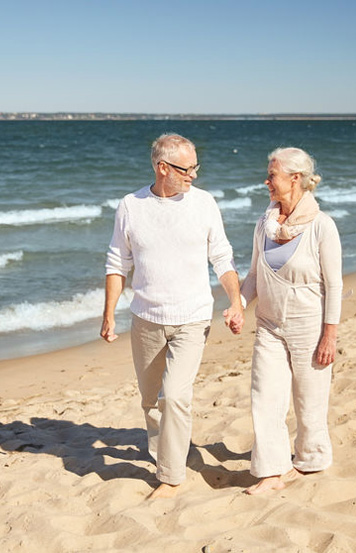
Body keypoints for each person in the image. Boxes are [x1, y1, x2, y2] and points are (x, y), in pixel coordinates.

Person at [101, 133, 244, 499]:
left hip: (193, 318)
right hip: (146, 319)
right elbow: (117, 263)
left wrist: (236, 300)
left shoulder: (204, 204)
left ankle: (171, 477)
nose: (194, 175)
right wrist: (109, 315)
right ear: (163, 168)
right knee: (151, 403)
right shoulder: (131, 206)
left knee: (175, 396)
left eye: (197, 166)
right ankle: (165, 458)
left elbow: (222, 258)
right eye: (187, 168)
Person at [240, 147, 342, 495]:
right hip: (268, 325)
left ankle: (309, 462)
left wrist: (330, 335)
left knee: (309, 401)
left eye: (272, 175)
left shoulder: (321, 227)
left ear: (295, 178)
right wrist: (238, 305)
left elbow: (335, 285)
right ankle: (271, 471)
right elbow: (254, 274)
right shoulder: (264, 223)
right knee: (265, 396)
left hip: (309, 326)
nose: (266, 181)